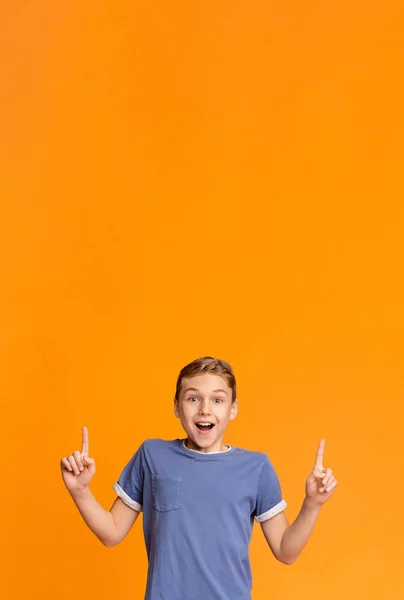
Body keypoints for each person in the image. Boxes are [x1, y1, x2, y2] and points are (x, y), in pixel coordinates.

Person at [60, 356, 338, 600]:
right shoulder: (152, 455)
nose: (205, 409)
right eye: (193, 398)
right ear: (177, 407)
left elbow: (285, 551)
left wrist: (312, 503)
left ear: (232, 409)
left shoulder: (256, 467)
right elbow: (111, 533)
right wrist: (80, 491)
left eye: (217, 400)